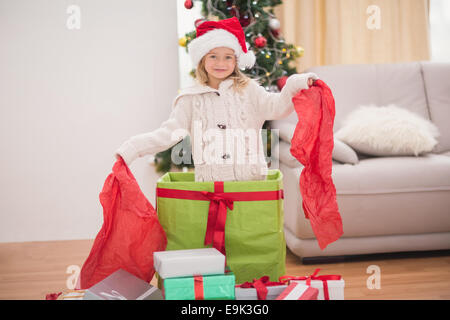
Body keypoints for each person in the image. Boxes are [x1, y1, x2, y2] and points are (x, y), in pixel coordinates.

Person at [115, 17, 318, 182]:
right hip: (211, 187)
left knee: (250, 232)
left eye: (228, 57)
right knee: (216, 233)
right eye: (213, 56)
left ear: (236, 61)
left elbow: (278, 107)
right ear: (202, 59)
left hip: (251, 184)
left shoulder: (249, 91)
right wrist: (133, 148)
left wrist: (295, 83)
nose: (221, 63)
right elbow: (168, 134)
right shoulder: (190, 99)